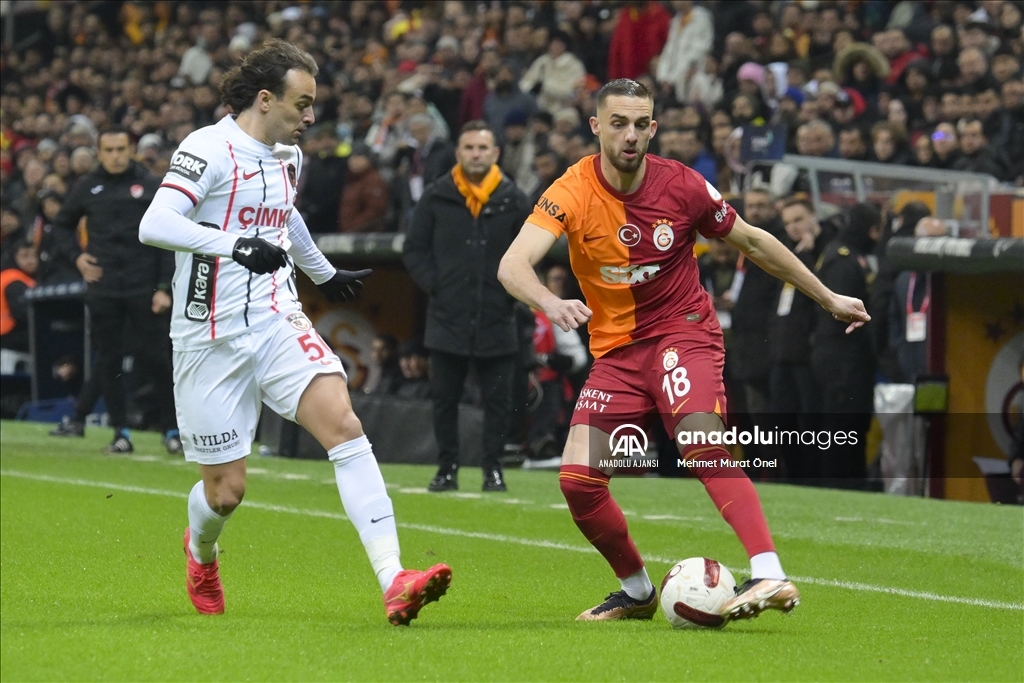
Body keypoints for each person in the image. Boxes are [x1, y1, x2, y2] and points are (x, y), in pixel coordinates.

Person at [497, 79, 869, 622]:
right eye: (618, 123)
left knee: (700, 441)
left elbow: (753, 241)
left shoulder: (683, 185)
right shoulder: (571, 189)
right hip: (617, 354)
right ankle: (637, 591)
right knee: (578, 482)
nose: (630, 135)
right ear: (596, 126)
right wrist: (550, 303)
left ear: (653, 128)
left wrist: (828, 297)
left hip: (682, 333)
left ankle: (768, 570)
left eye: (640, 124)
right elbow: (512, 265)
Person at [137, 39, 450, 625]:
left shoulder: (290, 155)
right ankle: (200, 554)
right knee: (226, 493)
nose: (310, 117)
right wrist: (235, 245)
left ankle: (394, 578)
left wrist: (322, 272)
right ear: (265, 99)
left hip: (276, 319)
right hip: (208, 335)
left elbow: (285, 214)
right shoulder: (207, 148)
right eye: (302, 104)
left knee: (345, 426)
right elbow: (155, 224)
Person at [403, 120, 532, 493]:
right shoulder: (436, 196)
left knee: (498, 401)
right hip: (447, 316)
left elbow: (530, 252)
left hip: (498, 316)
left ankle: (493, 470)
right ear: (458, 153)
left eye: (483, 148)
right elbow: (414, 249)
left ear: (496, 153)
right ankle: (447, 469)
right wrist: (437, 286)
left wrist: (509, 294)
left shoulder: (514, 199)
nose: (476, 154)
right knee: (444, 400)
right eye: (470, 148)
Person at [47, 127, 179, 455]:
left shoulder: (150, 184)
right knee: (109, 361)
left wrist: (165, 287)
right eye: (109, 150)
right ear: (99, 152)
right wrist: (77, 258)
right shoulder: (88, 185)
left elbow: (168, 237)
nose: (116, 156)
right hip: (104, 286)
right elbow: (61, 225)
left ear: (131, 150)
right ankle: (121, 432)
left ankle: (172, 430)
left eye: (121, 149)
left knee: (158, 359)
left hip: (144, 285)